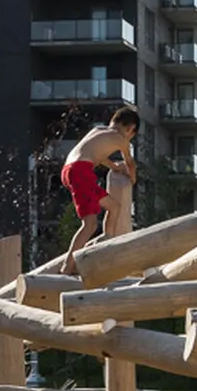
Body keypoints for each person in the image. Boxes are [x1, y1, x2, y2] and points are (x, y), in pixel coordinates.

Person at [60, 107, 140, 274]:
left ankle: (106, 237)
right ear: (130, 129)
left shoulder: (98, 131)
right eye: (131, 135)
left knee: (114, 206)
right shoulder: (120, 139)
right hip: (81, 171)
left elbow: (98, 155)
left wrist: (114, 167)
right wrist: (132, 178)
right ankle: (67, 266)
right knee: (89, 224)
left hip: (71, 169)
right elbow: (130, 162)